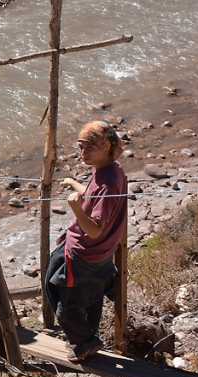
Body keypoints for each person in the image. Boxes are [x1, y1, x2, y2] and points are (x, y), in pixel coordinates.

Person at [44, 121, 128, 363]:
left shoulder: (108, 181)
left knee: (63, 303)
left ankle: (85, 343)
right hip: (100, 253)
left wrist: (75, 207)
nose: (83, 153)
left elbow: (94, 229)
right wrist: (75, 184)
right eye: (80, 147)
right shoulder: (112, 171)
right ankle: (89, 338)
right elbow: (95, 197)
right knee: (91, 296)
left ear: (106, 147)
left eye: (89, 147)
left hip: (85, 252)